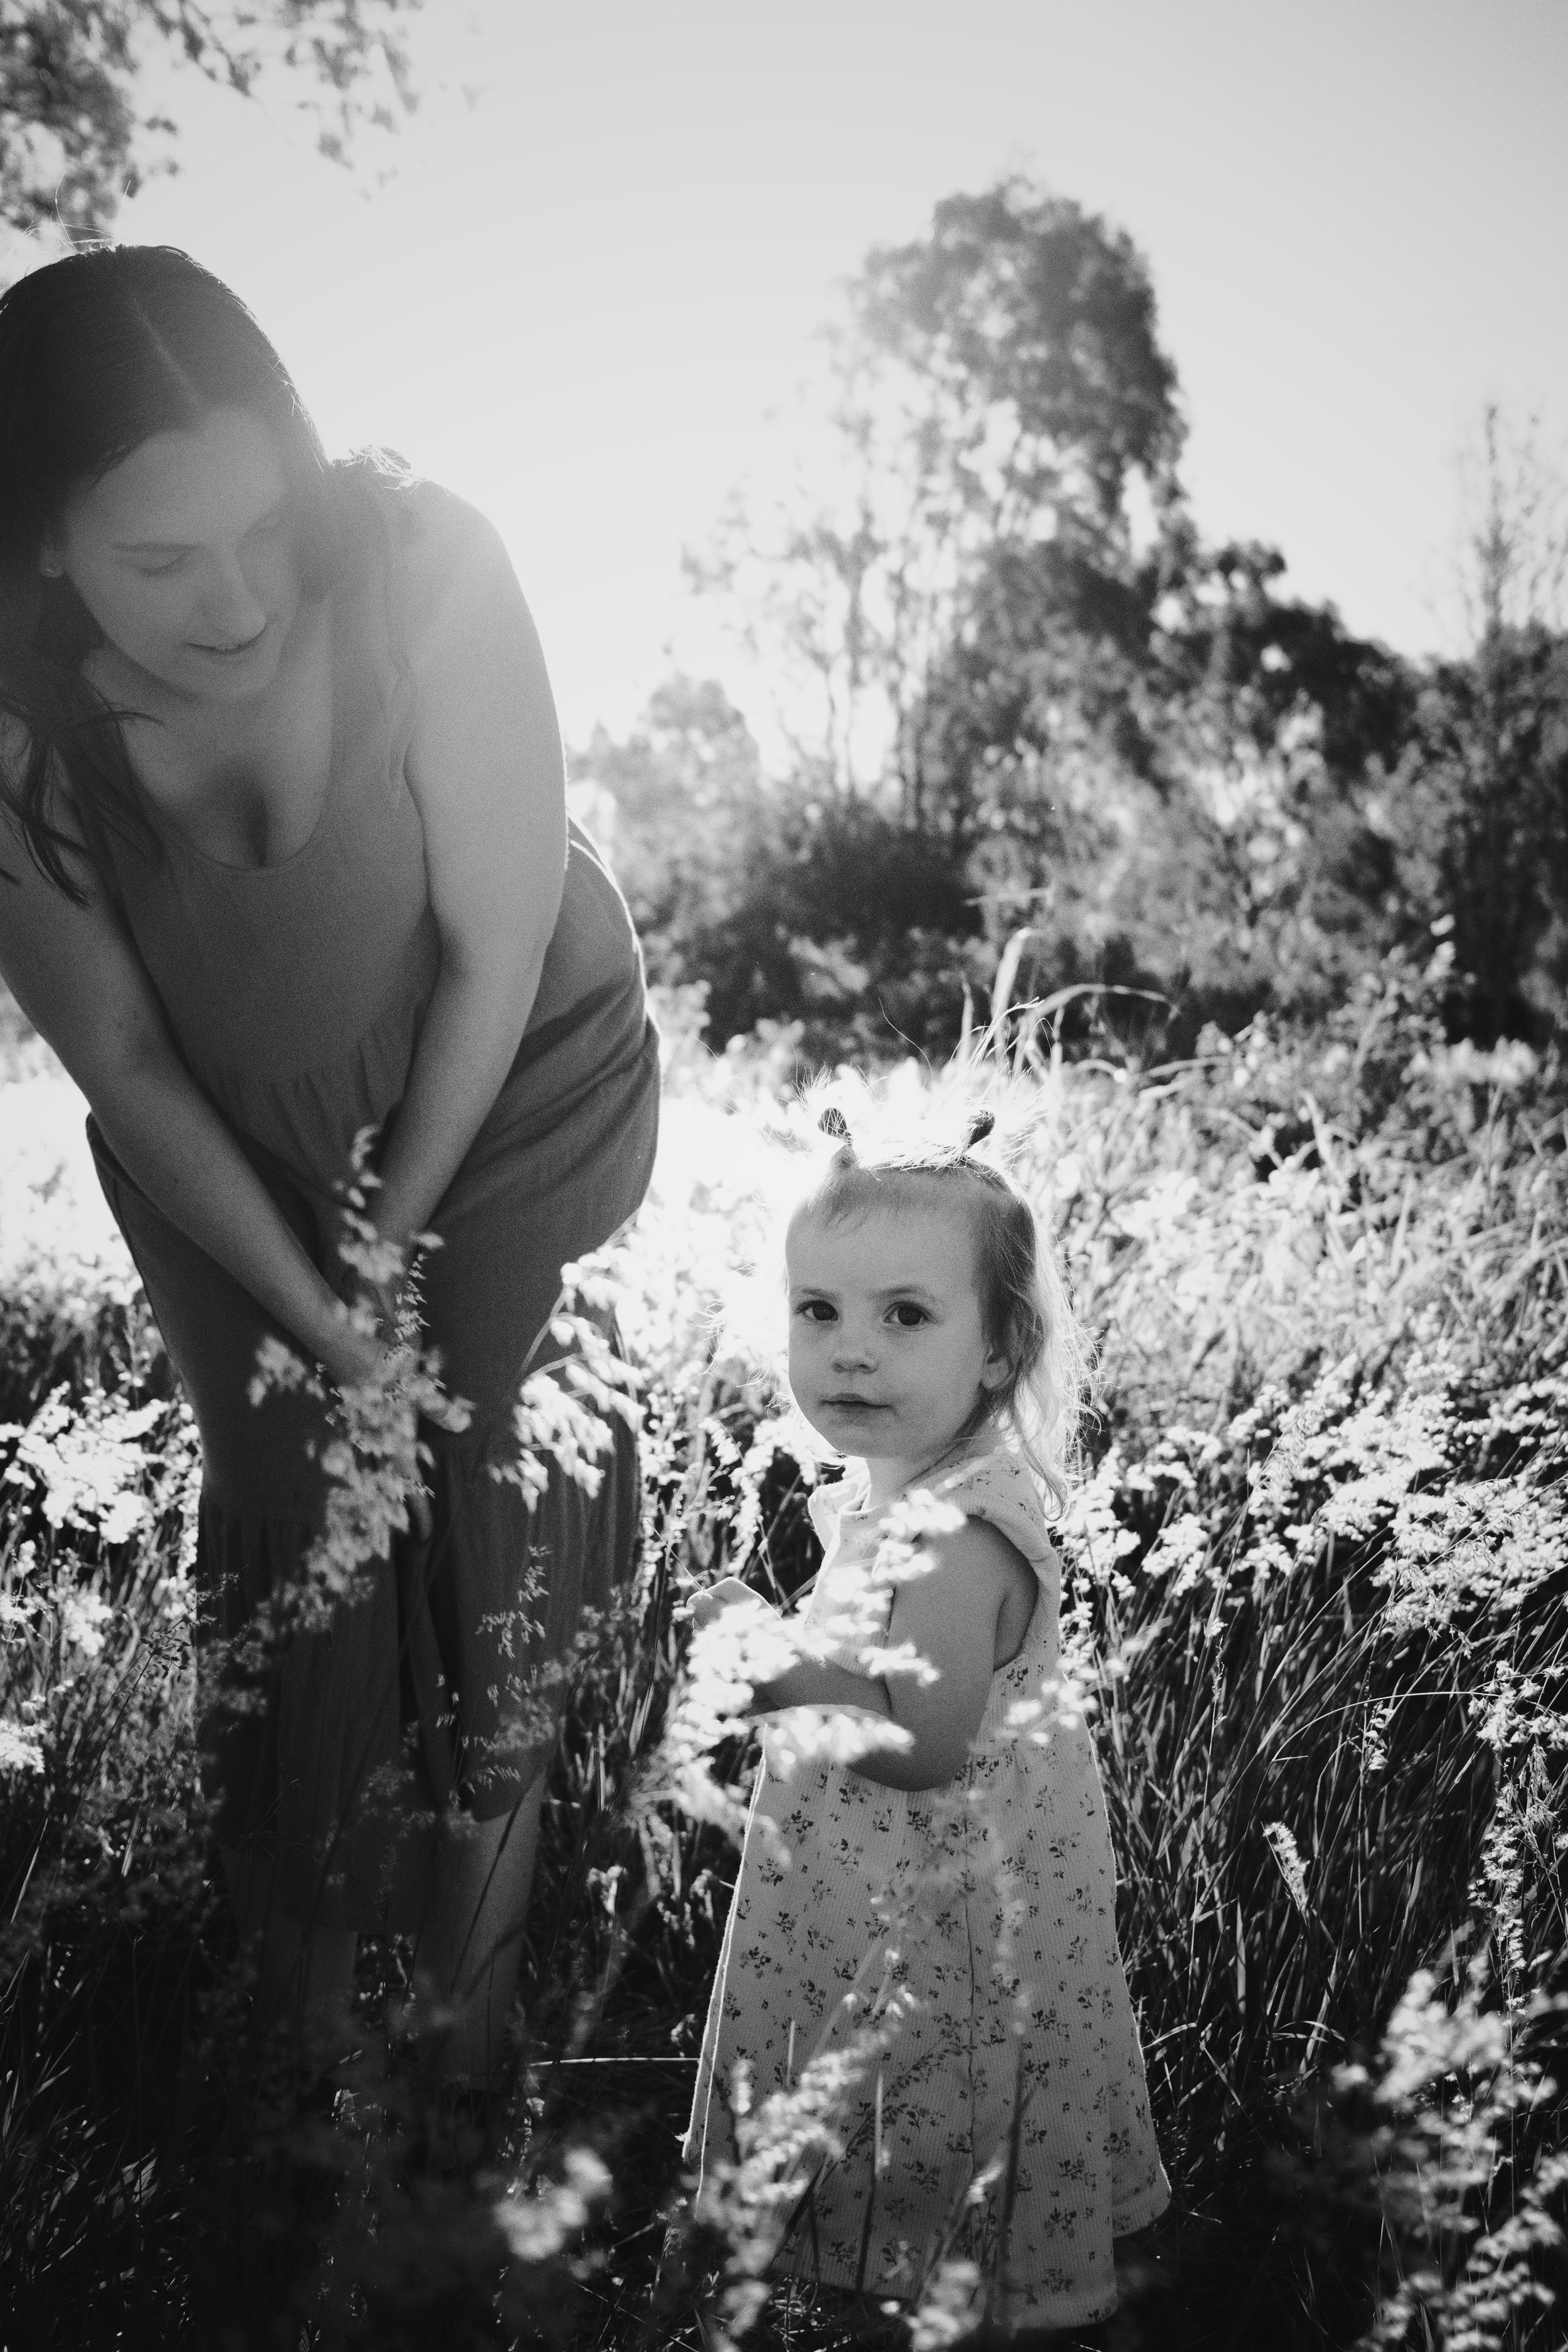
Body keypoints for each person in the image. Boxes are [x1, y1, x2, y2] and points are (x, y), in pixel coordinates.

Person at [0, 245, 659, 2081]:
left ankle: (462, 2074)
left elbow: (496, 940)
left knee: (467, 1498)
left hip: (499, 1082)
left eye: (258, 527)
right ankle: (296, 2072)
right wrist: (311, 1305)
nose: (232, 602)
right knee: (295, 1500)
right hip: (223, 1146)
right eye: (157, 559)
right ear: (46, 542)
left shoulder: (428, 561)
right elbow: (121, 1058)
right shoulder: (10, 724)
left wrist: (392, 1267)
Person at [684, 1106, 1170, 2333]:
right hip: (885, 1902)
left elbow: (921, 1741)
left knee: (923, 2146)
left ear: (1000, 1348)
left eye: (905, 1316)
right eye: (819, 1312)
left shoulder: (957, 1532)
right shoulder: (896, 1489)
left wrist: (767, 1666)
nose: (850, 1353)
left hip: (942, 1935)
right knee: (889, 2148)